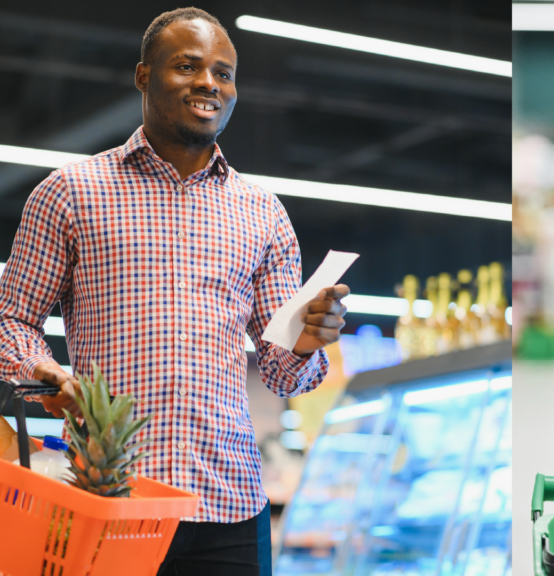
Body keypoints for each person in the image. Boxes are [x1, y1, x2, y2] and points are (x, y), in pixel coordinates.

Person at [0, 8, 348, 575]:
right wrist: (45, 371)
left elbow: (284, 374)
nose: (209, 83)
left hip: (231, 508)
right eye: (187, 66)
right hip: (109, 500)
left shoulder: (264, 215)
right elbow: (11, 319)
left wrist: (308, 341)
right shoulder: (70, 193)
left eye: (224, 72)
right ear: (143, 76)